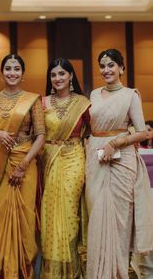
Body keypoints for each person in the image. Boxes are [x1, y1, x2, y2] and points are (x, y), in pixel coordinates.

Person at [85, 48, 153, 279]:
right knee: (97, 215)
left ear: (121, 68)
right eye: (102, 66)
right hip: (95, 158)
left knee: (120, 220)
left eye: (111, 65)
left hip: (121, 160)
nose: (106, 70)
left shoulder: (130, 95)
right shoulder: (93, 95)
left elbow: (143, 133)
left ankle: (119, 273)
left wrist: (116, 143)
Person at [0, 54, 45, 279]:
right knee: (0, 215)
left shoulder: (33, 99)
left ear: (23, 74)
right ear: (2, 73)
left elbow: (40, 136)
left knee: (25, 217)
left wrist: (23, 165)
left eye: (16, 68)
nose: (12, 72)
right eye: (8, 68)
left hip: (25, 164)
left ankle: (24, 272)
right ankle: (4, 272)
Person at [40, 58, 90, 278]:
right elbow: (34, 134)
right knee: (49, 214)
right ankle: (53, 271)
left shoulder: (82, 102)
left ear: (71, 76)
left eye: (62, 74)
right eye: (53, 75)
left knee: (69, 213)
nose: (58, 78)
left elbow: (93, 132)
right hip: (49, 160)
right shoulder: (42, 103)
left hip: (74, 159)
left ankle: (73, 269)